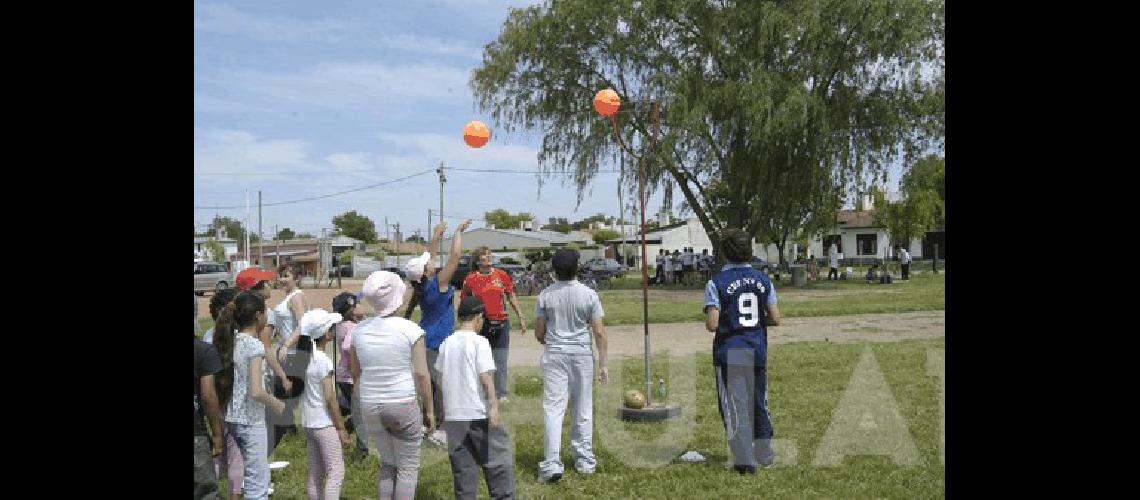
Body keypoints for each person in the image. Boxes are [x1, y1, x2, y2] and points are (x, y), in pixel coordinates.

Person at [351, 271, 435, 500]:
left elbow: (355, 372)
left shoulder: (359, 330)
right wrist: (429, 409)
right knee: (407, 468)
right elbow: (421, 374)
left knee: (388, 464)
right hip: (401, 402)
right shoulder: (410, 329)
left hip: (370, 403)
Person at [703, 228, 781, 473]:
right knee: (759, 401)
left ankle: (745, 460)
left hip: (731, 350)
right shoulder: (763, 279)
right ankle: (765, 453)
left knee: (735, 405)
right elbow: (776, 318)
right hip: (756, 347)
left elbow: (712, 324)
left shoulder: (716, 282)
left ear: (724, 253)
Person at [534, 248, 608, 484]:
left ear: (554, 270)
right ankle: (584, 460)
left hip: (555, 354)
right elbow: (599, 332)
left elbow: (539, 332)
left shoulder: (545, 295)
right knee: (583, 408)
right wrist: (603, 364)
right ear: (577, 267)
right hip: (581, 355)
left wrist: (554, 341)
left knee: (554, 409)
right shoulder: (588, 294)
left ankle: (552, 461)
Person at [436, 296, 516, 499]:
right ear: (479, 317)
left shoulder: (447, 343)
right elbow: (485, 378)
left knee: (463, 469)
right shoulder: (480, 342)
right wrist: (494, 408)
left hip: (454, 416)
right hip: (478, 413)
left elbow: (439, 380)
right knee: (497, 463)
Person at [215, 292, 287, 500]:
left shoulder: (233, 340)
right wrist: (277, 405)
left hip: (231, 417)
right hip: (250, 420)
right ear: (258, 316)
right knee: (257, 484)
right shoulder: (254, 345)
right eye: (265, 312)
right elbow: (256, 390)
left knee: (238, 469)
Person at [407, 220, 472, 447]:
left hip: (425, 340)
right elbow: (455, 256)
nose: (431, 262)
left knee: (430, 386)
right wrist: (457, 233)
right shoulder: (439, 283)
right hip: (440, 342)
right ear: (426, 271)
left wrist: (435, 235)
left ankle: (427, 424)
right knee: (443, 388)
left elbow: (428, 257)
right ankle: (441, 430)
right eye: (428, 264)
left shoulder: (421, 285)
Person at [298, 309, 352, 500]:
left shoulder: (303, 357)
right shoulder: (322, 361)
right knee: (336, 470)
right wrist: (341, 428)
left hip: (308, 422)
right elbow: (330, 398)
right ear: (327, 334)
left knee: (315, 472)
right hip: (324, 424)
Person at [462, 247, 527, 402]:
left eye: (489, 255)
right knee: (480, 359)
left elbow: (511, 296)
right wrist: (465, 322)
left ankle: (501, 393)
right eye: (484, 255)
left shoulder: (501, 275)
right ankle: (480, 391)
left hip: (501, 322)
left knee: (501, 359)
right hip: (481, 324)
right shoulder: (471, 279)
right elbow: (465, 301)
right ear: (478, 261)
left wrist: (521, 317)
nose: (489, 257)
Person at [204, 288, 244, 498]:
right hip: (236, 405)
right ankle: (234, 495)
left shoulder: (208, 336)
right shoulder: (241, 339)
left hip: (216, 403)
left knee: (218, 455)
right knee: (236, 457)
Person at [268, 265, 310, 453]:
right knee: (284, 393)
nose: (282, 279)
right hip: (286, 352)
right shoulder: (288, 296)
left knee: (284, 392)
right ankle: (289, 428)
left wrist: (286, 344)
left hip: (292, 353)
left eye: (287, 276)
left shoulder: (296, 297)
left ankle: (286, 429)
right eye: (281, 276)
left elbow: (304, 325)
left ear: (297, 278)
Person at [332, 291, 370, 460]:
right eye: (358, 304)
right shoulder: (353, 328)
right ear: (351, 310)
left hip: (342, 375)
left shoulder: (341, 325)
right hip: (351, 376)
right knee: (361, 415)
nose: (362, 306)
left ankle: (337, 429)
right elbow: (348, 347)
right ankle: (362, 451)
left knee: (352, 408)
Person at [195, 295, 225, 500]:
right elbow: (207, 395)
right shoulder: (203, 351)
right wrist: (216, 433)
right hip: (195, 433)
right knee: (204, 491)